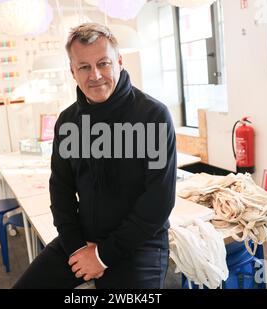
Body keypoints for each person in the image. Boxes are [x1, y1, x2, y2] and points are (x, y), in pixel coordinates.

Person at [13, 23, 176, 289]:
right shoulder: (67, 122)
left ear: (119, 62)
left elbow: (158, 202)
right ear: (72, 71)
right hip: (83, 239)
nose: (96, 75)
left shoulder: (153, 116)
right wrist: (77, 247)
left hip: (140, 244)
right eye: (84, 67)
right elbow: (60, 189)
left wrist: (102, 256)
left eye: (104, 63)